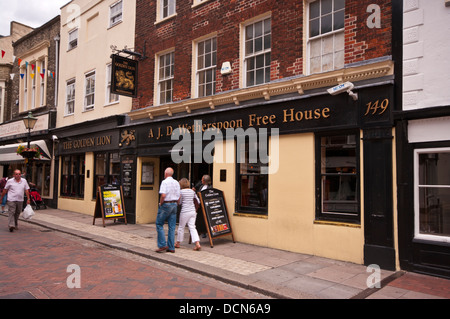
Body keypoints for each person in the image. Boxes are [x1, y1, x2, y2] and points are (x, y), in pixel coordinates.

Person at [155, 167, 180, 253]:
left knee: (159, 224)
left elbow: (163, 195)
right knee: (172, 227)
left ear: (165, 174)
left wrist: (160, 203)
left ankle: (162, 245)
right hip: (174, 204)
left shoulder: (164, 182)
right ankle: (171, 247)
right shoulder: (176, 182)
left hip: (166, 204)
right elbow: (179, 196)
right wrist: (177, 203)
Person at [175, 178, 201, 251]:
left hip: (185, 211)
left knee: (181, 227)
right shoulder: (192, 192)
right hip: (193, 211)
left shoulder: (181, 192)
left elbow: (179, 202)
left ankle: (178, 243)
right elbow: (198, 201)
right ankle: (197, 243)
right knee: (192, 227)